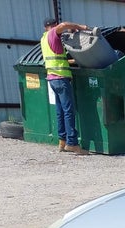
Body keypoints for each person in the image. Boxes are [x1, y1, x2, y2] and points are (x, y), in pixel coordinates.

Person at [41, 17, 89, 155]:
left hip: (52, 78)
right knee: (69, 111)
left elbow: (58, 58)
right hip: (61, 79)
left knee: (60, 111)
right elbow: (64, 25)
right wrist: (81, 27)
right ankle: (72, 143)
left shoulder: (44, 38)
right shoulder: (53, 33)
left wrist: (76, 59)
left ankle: (62, 141)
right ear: (54, 25)